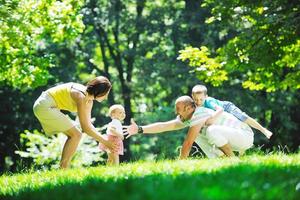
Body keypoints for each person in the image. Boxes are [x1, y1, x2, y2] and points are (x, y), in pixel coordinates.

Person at [124, 96, 255, 159]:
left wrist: (180, 165)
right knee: (199, 134)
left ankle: (233, 159)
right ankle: (223, 160)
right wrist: (139, 129)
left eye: (178, 109)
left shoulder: (199, 113)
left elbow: (187, 143)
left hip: (244, 136)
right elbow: (164, 126)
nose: (177, 113)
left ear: (188, 108)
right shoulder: (189, 117)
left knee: (210, 131)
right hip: (234, 138)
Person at [33, 76, 117, 168]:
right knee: (76, 135)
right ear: (100, 92)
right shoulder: (80, 96)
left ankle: (63, 168)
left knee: (76, 134)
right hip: (44, 106)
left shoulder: (89, 101)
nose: (106, 97)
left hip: (48, 106)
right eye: (106, 93)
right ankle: (63, 169)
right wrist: (105, 141)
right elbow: (85, 128)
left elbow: (89, 125)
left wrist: (104, 139)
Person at [192, 84, 273, 139]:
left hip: (227, 107)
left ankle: (263, 130)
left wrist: (212, 119)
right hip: (221, 114)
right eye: (196, 99)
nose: (198, 102)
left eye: (201, 99)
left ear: (206, 97)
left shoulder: (208, 101)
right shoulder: (194, 105)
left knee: (242, 117)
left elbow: (220, 109)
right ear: (192, 97)